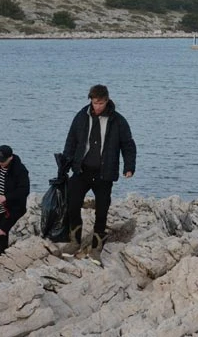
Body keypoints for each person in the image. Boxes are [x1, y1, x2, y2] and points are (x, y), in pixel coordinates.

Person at [60, 84, 136, 265]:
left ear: (107, 100)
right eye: (95, 103)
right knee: (72, 204)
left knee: (102, 211)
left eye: (101, 103)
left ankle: (96, 248)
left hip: (104, 173)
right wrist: (65, 162)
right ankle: (74, 242)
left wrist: (129, 166)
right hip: (81, 170)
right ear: (90, 100)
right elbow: (71, 140)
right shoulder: (81, 117)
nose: (97, 107)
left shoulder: (118, 121)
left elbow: (128, 145)